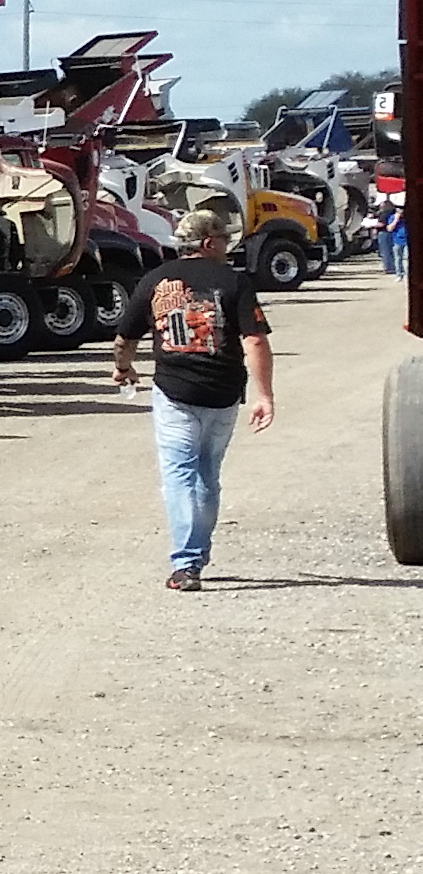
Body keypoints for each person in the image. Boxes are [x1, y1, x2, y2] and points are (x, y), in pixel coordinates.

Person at [113, 197, 274, 589]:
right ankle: (196, 554)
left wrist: (123, 368)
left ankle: (187, 562)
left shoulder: (155, 279)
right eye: (222, 238)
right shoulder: (234, 281)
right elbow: (254, 340)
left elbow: (124, 337)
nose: (226, 245)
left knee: (179, 474)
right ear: (207, 244)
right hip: (223, 393)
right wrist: (264, 395)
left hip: (174, 391)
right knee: (206, 475)